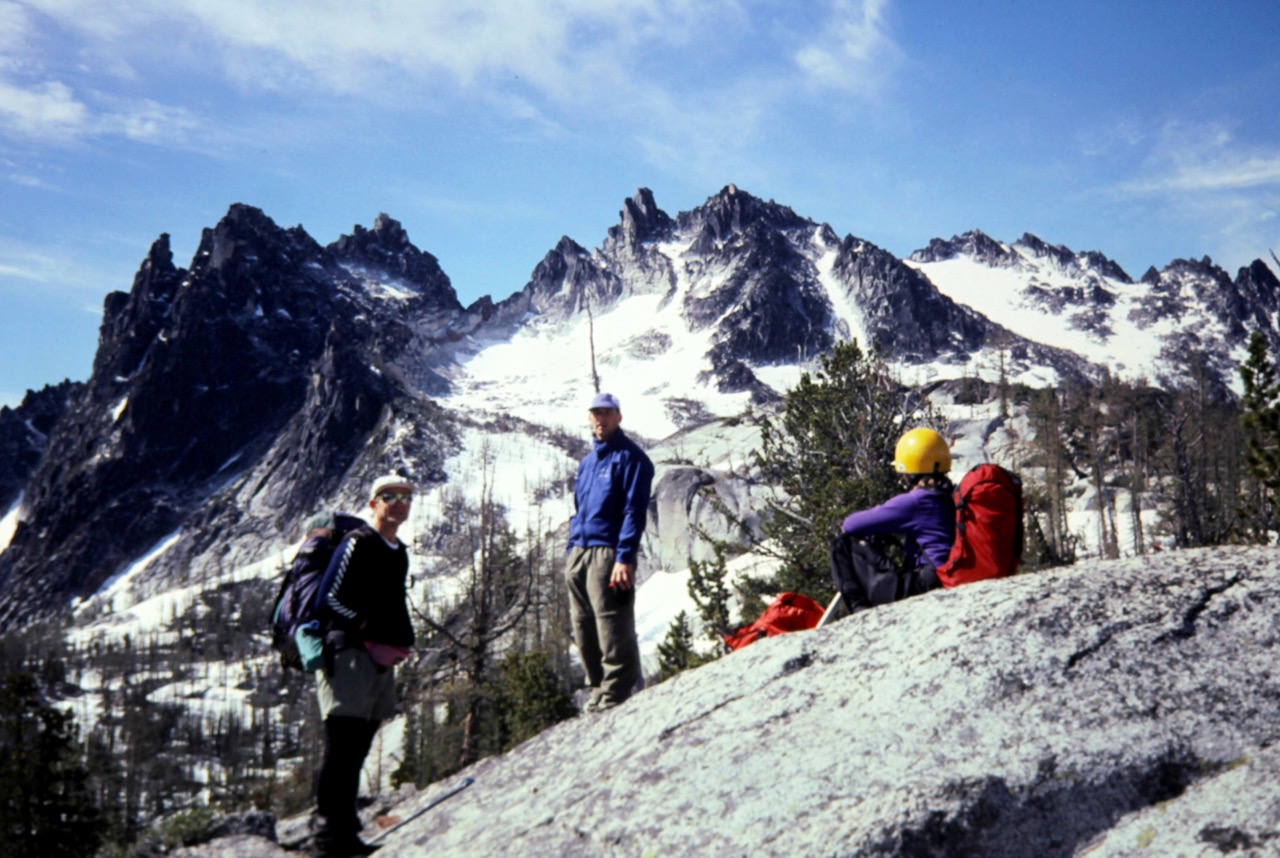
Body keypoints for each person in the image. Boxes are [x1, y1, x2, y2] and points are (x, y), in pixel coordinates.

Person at [309, 474, 417, 858]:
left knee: (358, 747)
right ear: (372, 503)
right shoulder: (359, 543)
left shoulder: (397, 550)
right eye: (390, 496)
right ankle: (327, 836)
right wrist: (364, 623)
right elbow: (327, 600)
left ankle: (344, 828)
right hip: (349, 654)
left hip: (379, 659)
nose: (399, 503)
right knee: (341, 747)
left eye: (406, 496)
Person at [565, 392, 655, 712]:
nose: (600, 419)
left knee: (611, 622)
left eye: (607, 413)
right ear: (589, 418)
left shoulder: (633, 458)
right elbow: (578, 509)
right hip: (580, 551)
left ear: (619, 416)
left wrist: (624, 557)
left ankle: (616, 692)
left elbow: (634, 511)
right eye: (595, 413)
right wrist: (570, 550)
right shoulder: (588, 463)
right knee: (583, 625)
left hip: (608, 553)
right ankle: (597, 690)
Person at [830, 428, 956, 612]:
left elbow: (850, 524)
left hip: (926, 583)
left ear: (911, 472)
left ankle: (859, 610)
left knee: (842, 544)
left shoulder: (916, 501)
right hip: (945, 575)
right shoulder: (949, 495)